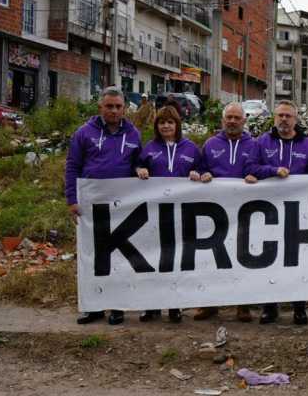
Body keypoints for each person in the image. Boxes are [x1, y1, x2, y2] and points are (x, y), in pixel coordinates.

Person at [66, 87, 142, 325]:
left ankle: (117, 306)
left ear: (124, 108)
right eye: (109, 106)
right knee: (92, 256)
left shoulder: (134, 134)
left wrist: (141, 170)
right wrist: (72, 200)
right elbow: (72, 166)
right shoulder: (84, 133)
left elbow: (138, 163)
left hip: (122, 205)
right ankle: (94, 307)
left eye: (118, 106)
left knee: (119, 257)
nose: (114, 111)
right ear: (100, 107)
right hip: (91, 205)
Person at [245, 100, 308, 325]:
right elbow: (250, 167)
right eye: (280, 115)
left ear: (295, 119)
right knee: (271, 258)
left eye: (288, 116)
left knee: (297, 259)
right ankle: (270, 307)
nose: (284, 119)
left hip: (298, 212)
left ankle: (299, 306)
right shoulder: (262, 142)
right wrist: (272, 171)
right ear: (274, 118)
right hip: (269, 212)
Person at [191, 102, 261, 323]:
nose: (232, 121)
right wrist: (202, 173)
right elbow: (200, 167)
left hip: (244, 211)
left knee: (243, 256)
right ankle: (209, 304)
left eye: (236, 118)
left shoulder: (254, 145)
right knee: (211, 258)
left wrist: (256, 176)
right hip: (215, 211)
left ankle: (243, 305)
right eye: (228, 117)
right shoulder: (211, 144)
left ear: (244, 121)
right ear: (223, 120)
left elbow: (259, 168)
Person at [135, 106, 205, 323]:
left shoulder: (191, 148)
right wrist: (139, 170)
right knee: (153, 258)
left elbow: (204, 170)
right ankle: (152, 305)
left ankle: (175, 305)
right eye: (162, 122)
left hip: (181, 213)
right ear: (156, 126)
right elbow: (136, 166)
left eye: (170, 122)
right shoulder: (149, 148)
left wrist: (198, 173)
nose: (166, 126)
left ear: (177, 125)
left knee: (175, 260)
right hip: (155, 213)